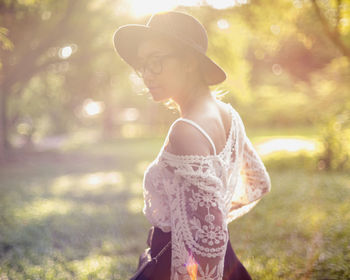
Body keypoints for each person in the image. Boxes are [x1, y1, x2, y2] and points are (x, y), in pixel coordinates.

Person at [113, 11, 271, 280]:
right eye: (143, 65)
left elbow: (209, 246)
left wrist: (206, 222)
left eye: (157, 62)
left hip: (185, 266)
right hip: (223, 261)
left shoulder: (185, 131)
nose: (147, 75)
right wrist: (208, 214)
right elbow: (259, 182)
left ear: (189, 62)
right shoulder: (228, 114)